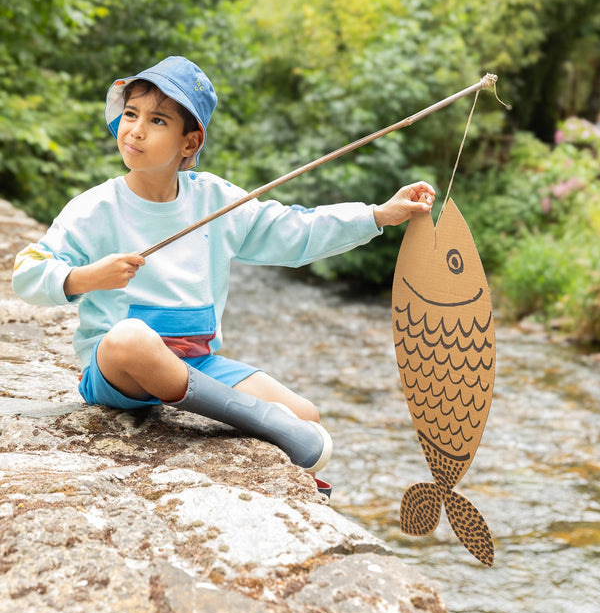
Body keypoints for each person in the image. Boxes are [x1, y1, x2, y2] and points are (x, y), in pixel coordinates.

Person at [12, 56, 435, 484]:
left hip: (198, 364)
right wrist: (86, 278)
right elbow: (28, 270)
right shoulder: (94, 208)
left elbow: (294, 229)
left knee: (306, 415)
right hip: (120, 372)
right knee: (130, 338)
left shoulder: (216, 200)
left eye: (157, 121)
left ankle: (296, 467)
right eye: (131, 114)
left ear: (189, 142)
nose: (135, 129)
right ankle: (257, 418)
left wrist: (378, 215)